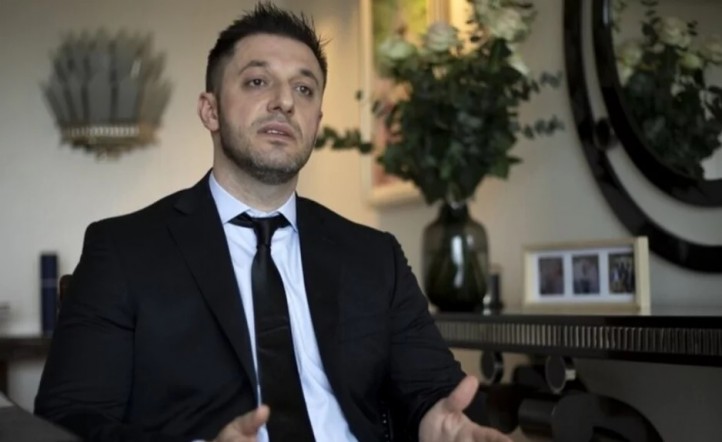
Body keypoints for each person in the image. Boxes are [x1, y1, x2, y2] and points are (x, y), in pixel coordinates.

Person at [35, 3, 510, 442]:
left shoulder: (374, 256)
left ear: (316, 121)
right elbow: (67, 417)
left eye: (304, 89)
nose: (284, 101)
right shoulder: (123, 249)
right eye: (257, 81)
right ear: (210, 110)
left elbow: (434, 392)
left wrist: (442, 425)